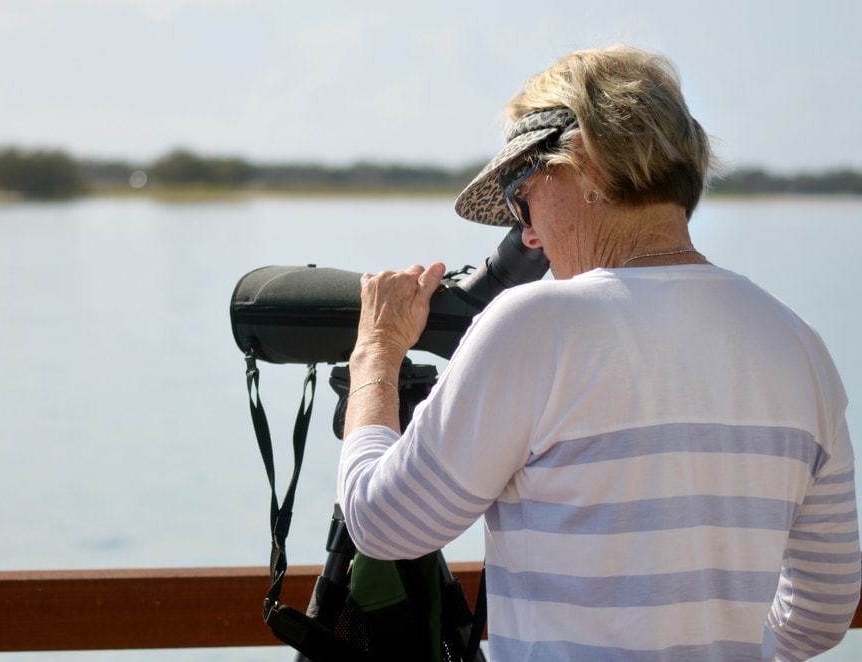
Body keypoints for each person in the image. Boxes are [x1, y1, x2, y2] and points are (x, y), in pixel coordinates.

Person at [336, 45, 860, 661]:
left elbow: (382, 523)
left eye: (519, 191)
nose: (526, 232)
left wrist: (376, 351)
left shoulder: (538, 324)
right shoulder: (799, 343)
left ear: (585, 160)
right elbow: (823, 613)